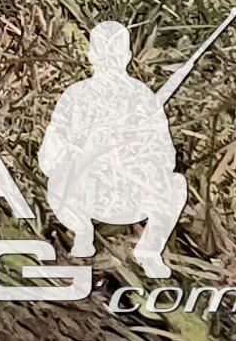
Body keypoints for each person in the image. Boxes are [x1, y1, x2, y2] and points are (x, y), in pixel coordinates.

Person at [39, 21, 190, 277]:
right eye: (105, 54)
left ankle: (149, 251)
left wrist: (134, 153)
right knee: (62, 177)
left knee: (176, 184)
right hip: (83, 195)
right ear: (93, 56)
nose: (110, 60)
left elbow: (165, 158)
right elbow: (49, 156)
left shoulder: (143, 98)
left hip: (128, 194)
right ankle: (82, 234)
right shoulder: (76, 95)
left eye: (114, 54)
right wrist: (83, 154)